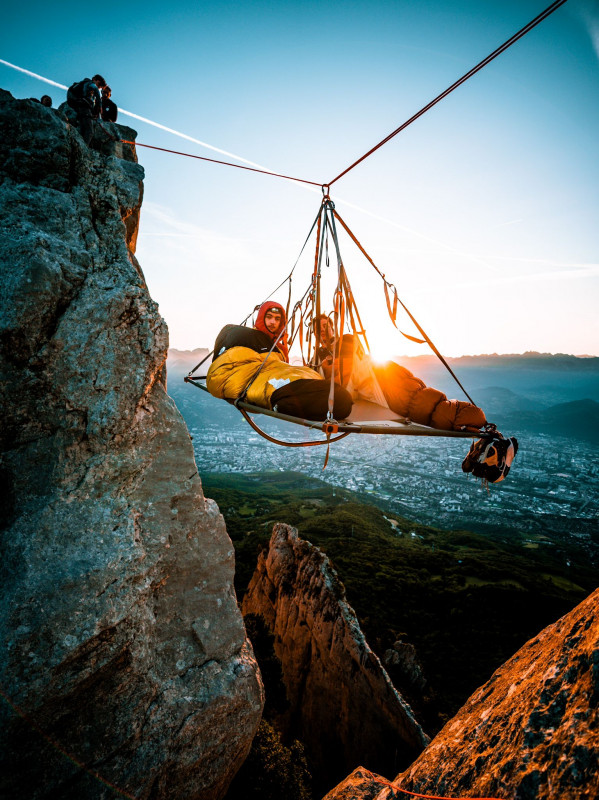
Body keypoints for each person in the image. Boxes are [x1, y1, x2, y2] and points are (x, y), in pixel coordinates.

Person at [310, 314, 486, 432]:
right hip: (378, 378)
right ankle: (464, 417)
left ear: (333, 327)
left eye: (325, 326)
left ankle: (465, 417)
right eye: (318, 329)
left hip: (381, 377)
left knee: (416, 400)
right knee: (419, 403)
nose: (322, 331)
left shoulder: (345, 342)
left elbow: (348, 373)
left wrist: (329, 361)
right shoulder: (319, 358)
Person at [206, 301, 352, 421]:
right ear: (261, 318)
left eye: (277, 319)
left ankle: (288, 403)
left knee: (339, 397)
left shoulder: (277, 348)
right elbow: (226, 371)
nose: (273, 322)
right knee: (340, 398)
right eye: (269, 317)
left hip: (279, 379)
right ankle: (285, 403)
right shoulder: (251, 338)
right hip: (268, 382)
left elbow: (278, 367)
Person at [66, 74, 106, 145]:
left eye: (100, 87)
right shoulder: (90, 84)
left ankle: (78, 147)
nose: (99, 87)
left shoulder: (83, 84)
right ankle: (83, 149)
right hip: (83, 108)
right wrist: (99, 105)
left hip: (77, 106)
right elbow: (95, 90)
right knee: (89, 131)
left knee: (82, 130)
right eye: (99, 84)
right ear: (94, 79)